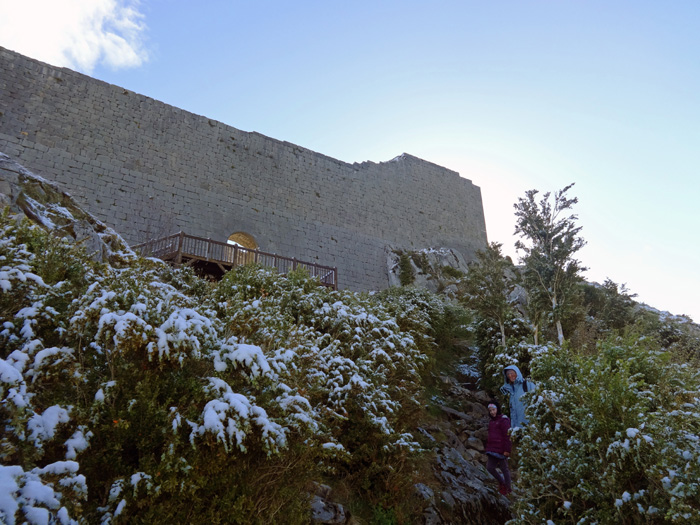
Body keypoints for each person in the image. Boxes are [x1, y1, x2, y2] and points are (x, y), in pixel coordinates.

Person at [485, 399, 512, 495]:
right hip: (492, 448)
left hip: (501, 449)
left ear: (498, 409)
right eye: (490, 410)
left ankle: (508, 489)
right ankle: (502, 483)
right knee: (489, 468)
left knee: (504, 468)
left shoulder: (504, 420)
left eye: (493, 410)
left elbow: (507, 435)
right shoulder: (492, 422)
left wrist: (507, 449)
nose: (492, 412)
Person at [499, 364, 535, 429]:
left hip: (529, 426)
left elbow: (537, 401)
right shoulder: (511, 391)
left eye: (512, 373)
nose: (510, 375)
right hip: (517, 428)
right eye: (508, 374)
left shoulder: (527, 384)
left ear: (517, 373)